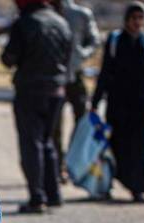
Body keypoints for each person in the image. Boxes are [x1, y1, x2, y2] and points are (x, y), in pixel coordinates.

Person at [1, 0, 71, 214]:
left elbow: (9, 57)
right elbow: (69, 56)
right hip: (57, 90)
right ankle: (54, 194)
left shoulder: (24, 22)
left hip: (30, 90)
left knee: (32, 144)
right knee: (47, 142)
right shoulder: (61, 22)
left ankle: (37, 198)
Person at [91, 1, 144, 203]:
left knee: (139, 147)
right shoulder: (115, 41)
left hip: (143, 104)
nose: (137, 22)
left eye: (140, 18)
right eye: (133, 18)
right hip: (118, 104)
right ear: (126, 19)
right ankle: (111, 182)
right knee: (116, 145)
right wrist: (96, 101)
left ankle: (137, 187)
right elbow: (105, 73)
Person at [51, 0, 99, 182]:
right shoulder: (50, 12)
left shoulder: (81, 15)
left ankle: (74, 160)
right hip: (56, 75)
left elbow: (93, 41)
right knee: (55, 124)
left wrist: (81, 54)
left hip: (75, 75)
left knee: (82, 120)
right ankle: (58, 166)